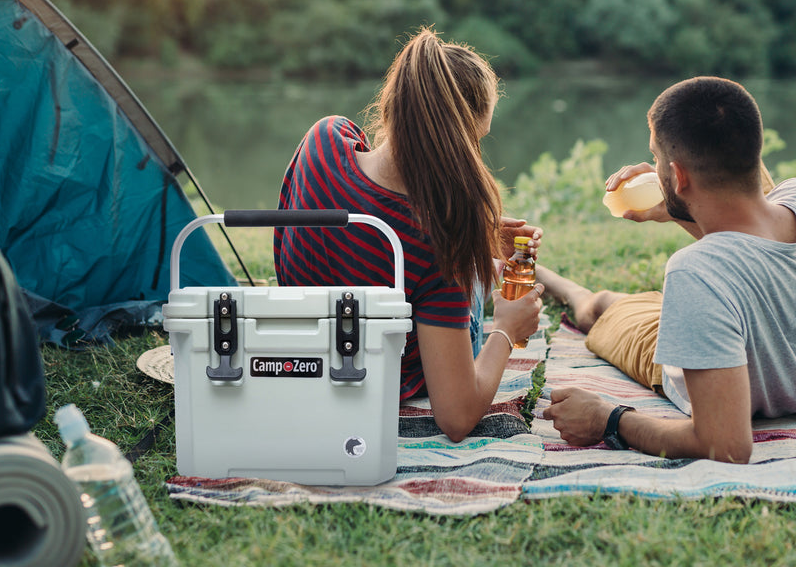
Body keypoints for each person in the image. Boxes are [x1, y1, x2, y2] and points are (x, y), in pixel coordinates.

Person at [275, 27, 545, 442]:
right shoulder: (441, 239)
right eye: (476, 139)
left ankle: (486, 268)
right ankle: (487, 278)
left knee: (457, 270)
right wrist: (506, 330)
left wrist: (481, 240)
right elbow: (455, 418)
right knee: (470, 287)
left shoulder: (324, 140)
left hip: (306, 351)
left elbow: (370, 216)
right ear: (459, 139)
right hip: (375, 374)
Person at [539, 76, 796, 463]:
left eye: (656, 158)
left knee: (598, 308)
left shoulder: (695, 274)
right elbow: (751, 241)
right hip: (729, 314)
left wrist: (608, 420)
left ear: (677, 176)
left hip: (683, 361)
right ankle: (545, 275)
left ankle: (549, 278)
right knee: (614, 303)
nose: (652, 168)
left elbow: (725, 444)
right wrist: (678, 205)